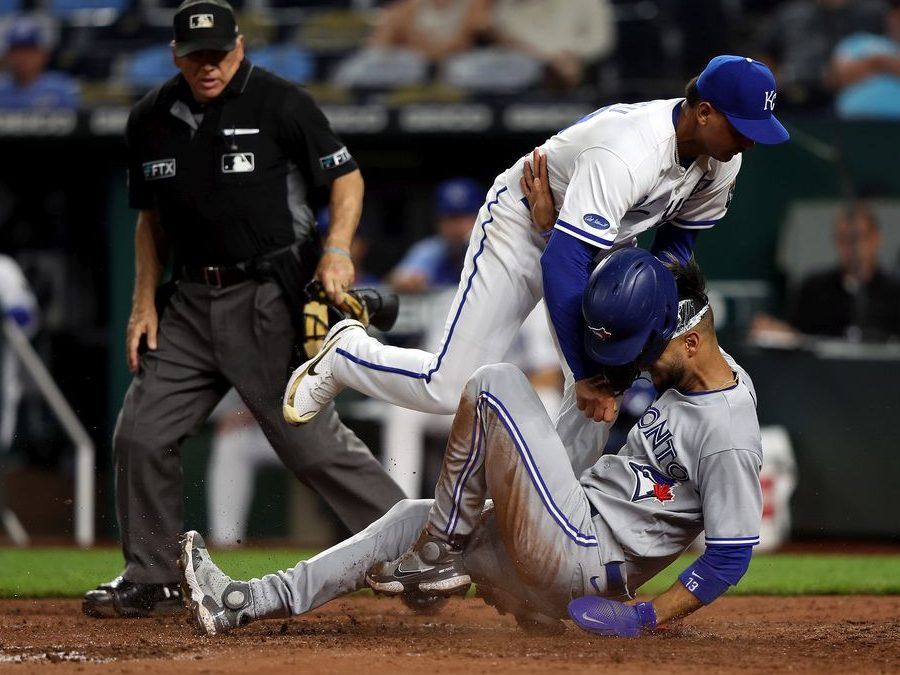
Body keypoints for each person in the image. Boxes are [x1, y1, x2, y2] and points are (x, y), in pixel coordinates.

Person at [179, 252, 764, 638]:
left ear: (690, 341)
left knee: (493, 381)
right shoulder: (691, 366)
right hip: (569, 526)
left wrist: (643, 617)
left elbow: (730, 556)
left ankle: (442, 550)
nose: (638, 364)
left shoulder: (727, 433)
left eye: (648, 351)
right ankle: (242, 602)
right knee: (409, 516)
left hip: (585, 558)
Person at [283, 54, 789, 474]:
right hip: (523, 226)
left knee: (599, 404)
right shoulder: (631, 150)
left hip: (601, 244)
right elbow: (562, 261)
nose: (749, 140)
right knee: (449, 385)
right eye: (741, 126)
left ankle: (540, 534)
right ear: (703, 112)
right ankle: (347, 353)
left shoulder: (722, 160)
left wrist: (630, 348)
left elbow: (673, 252)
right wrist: (590, 370)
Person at [82, 0, 405, 618]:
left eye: (218, 53)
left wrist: (336, 250)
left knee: (310, 443)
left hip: (269, 296)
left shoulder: (280, 102)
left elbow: (347, 179)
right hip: (189, 304)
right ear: (176, 54)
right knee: (141, 433)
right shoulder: (150, 118)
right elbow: (150, 222)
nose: (208, 65)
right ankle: (151, 575)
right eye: (195, 55)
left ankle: (419, 551)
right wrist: (141, 302)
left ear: (240, 47)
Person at [751, 203, 900, 342]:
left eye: (859, 237)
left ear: (876, 238)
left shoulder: (894, 293)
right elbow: (796, 336)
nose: (852, 248)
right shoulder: (814, 288)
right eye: (844, 239)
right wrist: (776, 332)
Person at [830, 0, 900, 119]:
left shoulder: (875, 56)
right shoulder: (859, 42)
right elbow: (836, 80)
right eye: (895, 16)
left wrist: (878, 63)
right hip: (853, 123)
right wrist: (884, 64)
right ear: (889, 17)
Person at [0, 16, 79, 110]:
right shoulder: (2, 89)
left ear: (43, 55)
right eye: (17, 51)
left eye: (29, 51)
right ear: (7, 55)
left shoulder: (61, 88)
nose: (23, 58)